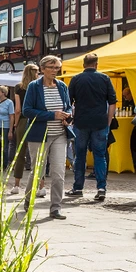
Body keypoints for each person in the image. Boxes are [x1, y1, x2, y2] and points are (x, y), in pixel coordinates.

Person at [22, 55, 73, 220]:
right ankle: (28, 201)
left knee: (58, 172)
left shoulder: (62, 86)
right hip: (39, 135)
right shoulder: (34, 87)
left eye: (57, 67)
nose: (54, 71)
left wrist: (67, 116)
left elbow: (68, 106)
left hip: (59, 134)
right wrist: (52, 115)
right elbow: (27, 110)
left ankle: (56, 208)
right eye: (51, 67)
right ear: (42, 69)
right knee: (38, 172)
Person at [67, 53, 116, 202]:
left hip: (81, 123)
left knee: (80, 155)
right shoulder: (105, 78)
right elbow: (112, 102)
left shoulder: (75, 79)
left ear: (83, 65)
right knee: (100, 155)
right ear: (96, 64)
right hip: (100, 122)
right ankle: (101, 188)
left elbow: (68, 103)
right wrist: (108, 121)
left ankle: (78, 188)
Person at [9, 63, 39, 194]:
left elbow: (17, 109)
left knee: (20, 152)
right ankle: (41, 187)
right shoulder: (40, 87)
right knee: (38, 153)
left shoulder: (18, 87)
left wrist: (15, 125)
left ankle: (16, 185)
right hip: (37, 120)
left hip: (22, 120)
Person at [0, 86, 15, 168]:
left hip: (5, 125)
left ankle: (4, 165)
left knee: (5, 146)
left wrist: (10, 130)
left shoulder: (9, 102)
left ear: (3, 93)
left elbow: (12, 116)